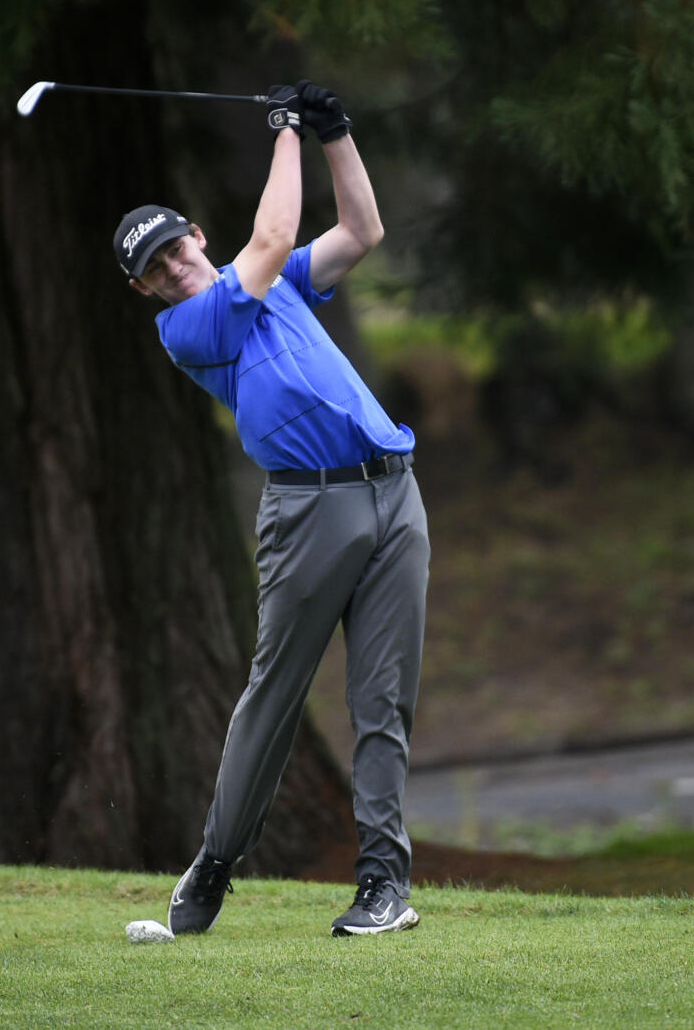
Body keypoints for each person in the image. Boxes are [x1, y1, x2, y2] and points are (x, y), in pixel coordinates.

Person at [112, 81, 430, 938]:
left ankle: (382, 887)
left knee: (385, 701)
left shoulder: (278, 283)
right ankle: (214, 862)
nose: (176, 267)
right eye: (158, 271)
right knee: (275, 695)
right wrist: (285, 130)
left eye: (177, 249)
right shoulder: (189, 330)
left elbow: (362, 233)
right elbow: (275, 232)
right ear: (147, 291)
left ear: (194, 235)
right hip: (309, 515)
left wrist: (336, 133)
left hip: (394, 493)